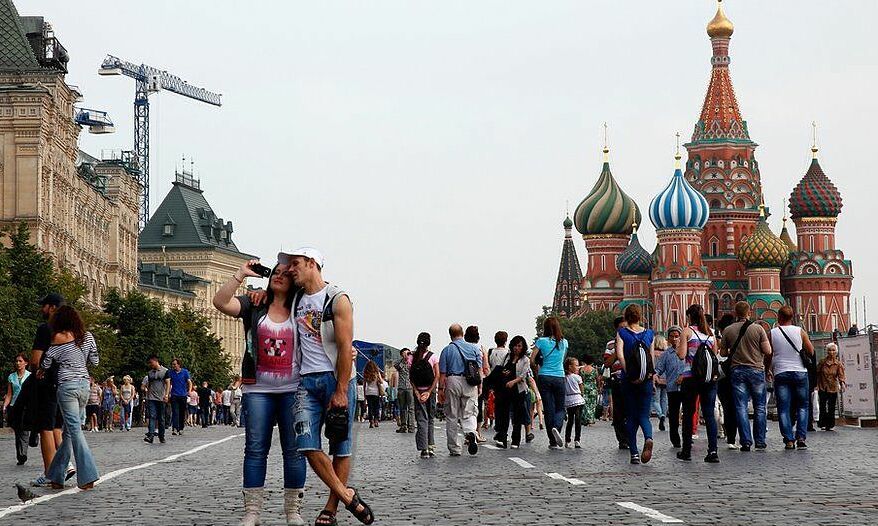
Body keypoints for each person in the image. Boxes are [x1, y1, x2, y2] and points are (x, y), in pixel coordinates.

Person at [280, 247, 373, 526]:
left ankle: (330, 509)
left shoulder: (337, 299)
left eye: (295, 264)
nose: (291, 269)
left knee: (340, 447)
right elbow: (268, 289)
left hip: (335, 379)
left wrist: (341, 390)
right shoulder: (295, 298)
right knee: (306, 444)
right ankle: (348, 497)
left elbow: (346, 347)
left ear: (312, 264)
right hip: (305, 382)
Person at [214, 258, 308, 526]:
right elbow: (220, 303)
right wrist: (240, 274)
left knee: (294, 450)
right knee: (255, 449)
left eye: (284, 274)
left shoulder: (300, 308)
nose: (278, 276)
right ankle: (252, 512)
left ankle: (293, 511)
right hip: (258, 388)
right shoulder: (254, 304)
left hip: (293, 388)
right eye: (275, 273)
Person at [40, 305, 100, 490]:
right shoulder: (87, 337)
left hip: (67, 387)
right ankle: (57, 476)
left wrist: (43, 368)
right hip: (84, 387)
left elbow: (47, 361)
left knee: (74, 430)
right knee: (68, 432)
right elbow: (95, 361)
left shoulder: (58, 338)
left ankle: (88, 475)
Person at [719, 302, 771, 452]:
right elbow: (767, 350)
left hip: (737, 371)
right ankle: (760, 441)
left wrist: (736, 352)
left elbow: (722, 353)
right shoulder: (758, 328)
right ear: (749, 312)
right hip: (756, 370)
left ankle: (746, 441)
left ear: (736, 313)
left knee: (740, 406)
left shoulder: (728, 330)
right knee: (760, 406)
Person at [26, 293, 66, 487]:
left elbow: (35, 360)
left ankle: (50, 472)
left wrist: (37, 371)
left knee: (46, 428)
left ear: (52, 308)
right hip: (64, 383)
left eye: (44, 306)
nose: (42, 309)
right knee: (57, 426)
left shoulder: (45, 329)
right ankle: (66, 466)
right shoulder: (69, 332)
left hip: (46, 382)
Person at [677, 305, 720, 463]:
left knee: (689, 414)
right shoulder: (711, 333)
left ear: (689, 316)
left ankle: (686, 450)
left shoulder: (687, 331)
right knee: (709, 415)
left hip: (691, 378)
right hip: (709, 379)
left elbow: (681, 355)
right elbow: (715, 355)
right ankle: (713, 451)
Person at [769, 305, 815, 450]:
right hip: (800, 372)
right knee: (803, 406)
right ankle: (801, 438)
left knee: (783, 408)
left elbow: (768, 354)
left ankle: (789, 440)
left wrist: (767, 369)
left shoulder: (772, 333)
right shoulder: (800, 331)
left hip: (781, 372)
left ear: (779, 317)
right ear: (792, 317)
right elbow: (811, 351)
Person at [616, 304, 656, 464]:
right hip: (646, 379)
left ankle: (634, 453)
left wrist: (628, 372)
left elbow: (619, 355)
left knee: (631, 417)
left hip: (629, 380)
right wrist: (649, 377)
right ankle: (648, 437)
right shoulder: (649, 334)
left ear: (626, 316)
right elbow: (651, 358)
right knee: (644, 415)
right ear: (640, 316)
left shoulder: (622, 333)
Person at [439, 324, 483, 456]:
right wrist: (480, 385)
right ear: (462, 333)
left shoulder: (446, 350)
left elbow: (442, 374)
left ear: (450, 334)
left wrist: (441, 390)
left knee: (452, 415)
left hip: (452, 380)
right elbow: (479, 369)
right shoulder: (474, 348)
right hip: (470, 382)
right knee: (470, 411)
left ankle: (455, 448)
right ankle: (470, 431)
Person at [532, 317, 568, 450]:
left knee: (548, 409)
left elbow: (532, 359)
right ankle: (556, 426)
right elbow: (563, 359)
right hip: (559, 376)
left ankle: (552, 440)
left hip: (544, 376)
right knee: (560, 407)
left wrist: (537, 370)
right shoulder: (564, 342)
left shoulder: (541, 341)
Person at [494, 335, 531, 449]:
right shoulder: (507, 357)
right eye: (515, 345)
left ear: (523, 347)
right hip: (506, 390)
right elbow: (502, 369)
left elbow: (523, 375)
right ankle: (502, 438)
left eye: (519, 346)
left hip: (518, 389)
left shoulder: (525, 360)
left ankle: (516, 440)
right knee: (503, 414)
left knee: (517, 415)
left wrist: (513, 382)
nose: (517, 348)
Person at [655, 326, 685, 448]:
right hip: (672, 388)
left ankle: (687, 437)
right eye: (672, 336)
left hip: (686, 387)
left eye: (676, 336)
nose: (674, 339)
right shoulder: (666, 354)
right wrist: (655, 375)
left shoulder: (686, 351)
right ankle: (675, 439)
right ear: (668, 339)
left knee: (687, 414)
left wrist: (684, 376)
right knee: (673, 415)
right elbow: (659, 368)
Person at [410, 332, 439, 458]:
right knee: (431, 418)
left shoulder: (412, 357)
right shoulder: (433, 357)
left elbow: (411, 377)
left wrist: (417, 391)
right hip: (430, 391)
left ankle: (424, 448)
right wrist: (429, 391)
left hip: (418, 391)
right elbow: (437, 375)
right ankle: (431, 446)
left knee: (422, 419)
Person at [604, 316, 628, 449]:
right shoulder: (610, 345)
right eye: (621, 328)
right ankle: (622, 440)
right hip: (617, 380)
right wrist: (618, 350)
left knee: (630, 411)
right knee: (618, 412)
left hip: (631, 379)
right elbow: (607, 363)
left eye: (626, 327)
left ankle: (630, 437)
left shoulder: (634, 341)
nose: (624, 330)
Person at [714, 313, 737, 447]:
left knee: (726, 406)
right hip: (737, 374)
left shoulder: (721, 340)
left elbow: (720, 355)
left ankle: (730, 436)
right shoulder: (738, 337)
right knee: (737, 406)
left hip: (723, 377)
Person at [4, 353, 31, 465]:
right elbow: (9, 394)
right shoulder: (11, 377)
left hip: (26, 407)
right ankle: (20, 454)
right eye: (16, 361)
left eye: (20, 361)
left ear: (26, 363)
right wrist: (5, 406)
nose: (18, 363)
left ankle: (23, 453)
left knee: (24, 430)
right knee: (17, 431)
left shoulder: (30, 376)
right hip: (14, 407)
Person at [464, 325, 489, 444]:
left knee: (465, 408)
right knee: (478, 407)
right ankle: (477, 432)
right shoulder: (481, 348)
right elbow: (485, 367)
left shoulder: (463, 347)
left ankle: (468, 434)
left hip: (464, 380)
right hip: (478, 380)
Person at [817, 343, 845, 431]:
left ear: (836, 352)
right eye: (829, 350)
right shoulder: (822, 362)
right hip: (822, 386)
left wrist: (842, 383)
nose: (831, 352)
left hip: (832, 387)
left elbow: (841, 375)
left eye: (833, 350)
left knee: (831, 406)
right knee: (822, 405)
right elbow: (817, 373)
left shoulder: (838, 364)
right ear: (827, 351)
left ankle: (830, 424)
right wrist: (816, 385)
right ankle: (822, 423)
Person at [142, 355, 170, 444]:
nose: (150, 364)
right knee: (152, 416)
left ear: (155, 361)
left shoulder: (165, 371)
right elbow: (149, 384)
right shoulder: (150, 373)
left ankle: (161, 436)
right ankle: (151, 435)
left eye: (151, 362)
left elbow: (168, 383)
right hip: (152, 398)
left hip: (161, 398)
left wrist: (166, 395)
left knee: (161, 418)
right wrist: (147, 395)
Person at [166, 359, 192, 436]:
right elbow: (168, 382)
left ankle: (181, 428)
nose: (173, 366)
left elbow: (189, 382)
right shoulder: (171, 372)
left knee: (181, 413)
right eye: (172, 364)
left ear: (179, 364)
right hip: (174, 395)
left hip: (183, 395)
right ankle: (175, 428)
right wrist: (168, 393)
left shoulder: (185, 372)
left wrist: (189, 391)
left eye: (174, 364)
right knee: (175, 412)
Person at [563, 358, 584, 449]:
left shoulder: (564, 377)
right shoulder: (577, 377)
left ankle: (567, 440)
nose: (578, 367)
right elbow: (582, 389)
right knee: (578, 420)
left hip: (568, 400)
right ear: (570, 366)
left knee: (570, 421)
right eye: (576, 365)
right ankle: (577, 440)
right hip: (578, 399)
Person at [394, 348, 415, 434]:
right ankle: (403, 426)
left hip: (410, 387)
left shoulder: (412, 362)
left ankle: (411, 427)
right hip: (401, 387)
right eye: (404, 353)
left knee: (411, 408)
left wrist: (410, 357)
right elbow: (396, 365)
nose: (407, 355)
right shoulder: (400, 363)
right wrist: (404, 358)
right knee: (402, 408)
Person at [651, 335, 668, 431]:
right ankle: (664, 417)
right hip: (666, 379)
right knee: (664, 399)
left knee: (655, 400)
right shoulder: (666, 353)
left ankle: (660, 414)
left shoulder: (653, 353)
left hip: (656, 378)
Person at [579, 355, 599, 427]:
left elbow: (580, 379)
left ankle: (584, 419)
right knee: (592, 404)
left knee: (584, 404)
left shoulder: (581, 370)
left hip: (584, 387)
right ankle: (590, 420)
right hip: (592, 388)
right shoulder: (594, 370)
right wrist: (599, 388)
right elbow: (597, 379)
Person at [363, 361, 383, 428]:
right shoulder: (377, 373)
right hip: (376, 393)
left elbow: (364, 385)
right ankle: (376, 421)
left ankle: (371, 422)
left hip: (368, 393)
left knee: (370, 408)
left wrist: (364, 394)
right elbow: (381, 381)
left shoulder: (366, 373)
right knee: (376, 407)